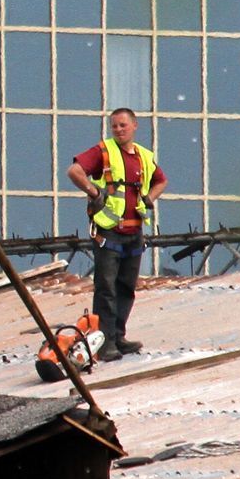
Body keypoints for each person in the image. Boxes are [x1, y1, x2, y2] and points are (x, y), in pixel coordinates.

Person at [65, 109, 167, 362]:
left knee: (126, 287)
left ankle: (118, 336)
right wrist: (94, 192)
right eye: (114, 126)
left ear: (134, 126)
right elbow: (74, 171)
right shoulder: (104, 151)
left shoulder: (144, 156)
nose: (118, 130)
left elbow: (161, 181)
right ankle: (104, 342)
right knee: (106, 289)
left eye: (123, 125)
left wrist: (149, 199)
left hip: (134, 232)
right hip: (108, 233)